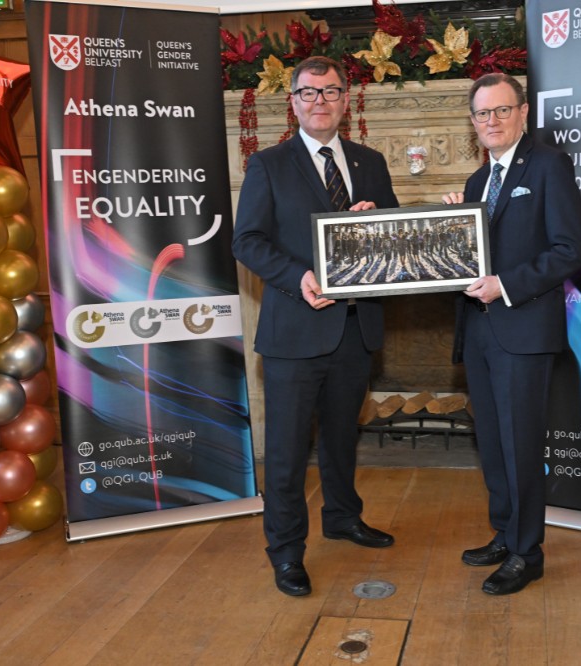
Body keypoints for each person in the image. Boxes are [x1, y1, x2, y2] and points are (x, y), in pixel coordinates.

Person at [232, 56, 399, 597]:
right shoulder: (269, 165)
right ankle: (285, 551)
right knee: (285, 451)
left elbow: (395, 235)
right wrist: (300, 275)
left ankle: (343, 517)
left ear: (346, 100)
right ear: (294, 102)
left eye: (330, 92)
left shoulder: (370, 162)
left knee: (341, 437)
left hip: (356, 328)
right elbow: (247, 242)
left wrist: (374, 226)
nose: (319, 101)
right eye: (308, 93)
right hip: (294, 332)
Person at [443, 73, 581, 595]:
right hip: (480, 333)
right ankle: (505, 533)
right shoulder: (476, 183)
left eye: (501, 110)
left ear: (523, 112)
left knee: (522, 444)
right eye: (482, 114)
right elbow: (479, 255)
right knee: (495, 443)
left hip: (524, 329)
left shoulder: (548, 164)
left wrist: (505, 284)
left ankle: (529, 552)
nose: (491, 121)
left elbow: (570, 251)